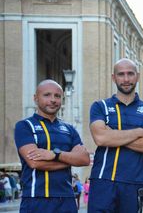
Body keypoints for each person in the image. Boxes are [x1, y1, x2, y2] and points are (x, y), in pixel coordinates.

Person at [88, 58, 143, 213]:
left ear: (138, 76)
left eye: (130, 74)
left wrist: (112, 135)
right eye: (121, 74)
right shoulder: (100, 106)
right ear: (114, 77)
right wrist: (139, 132)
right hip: (103, 180)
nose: (126, 79)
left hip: (134, 183)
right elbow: (100, 138)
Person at [14, 79, 90, 213]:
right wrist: (70, 160)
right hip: (36, 199)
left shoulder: (69, 129)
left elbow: (84, 159)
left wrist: (55, 155)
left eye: (57, 96)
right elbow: (34, 163)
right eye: (47, 95)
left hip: (67, 200)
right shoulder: (25, 126)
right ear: (35, 98)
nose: (53, 99)